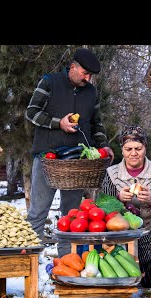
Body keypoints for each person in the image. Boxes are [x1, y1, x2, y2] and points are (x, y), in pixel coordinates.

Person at [25, 47, 114, 257]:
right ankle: (28, 264)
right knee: (38, 212)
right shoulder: (50, 81)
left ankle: (67, 260)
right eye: (84, 73)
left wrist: (103, 145)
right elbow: (32, 112)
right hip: (47, 158)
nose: (87, 78)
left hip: (77, 162)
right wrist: (58, 123)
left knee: (73, 216)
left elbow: (96, 123)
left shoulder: (91, 92)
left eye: (90, 75)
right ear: (73, 67)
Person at [101, 126, 151, 288]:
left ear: (145, 148)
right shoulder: (111, 173)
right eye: (128, 149)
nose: (133, 153)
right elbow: (102, 208)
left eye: (138, 148)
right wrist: (118, 199)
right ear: (122, 150)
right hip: (120, 233)